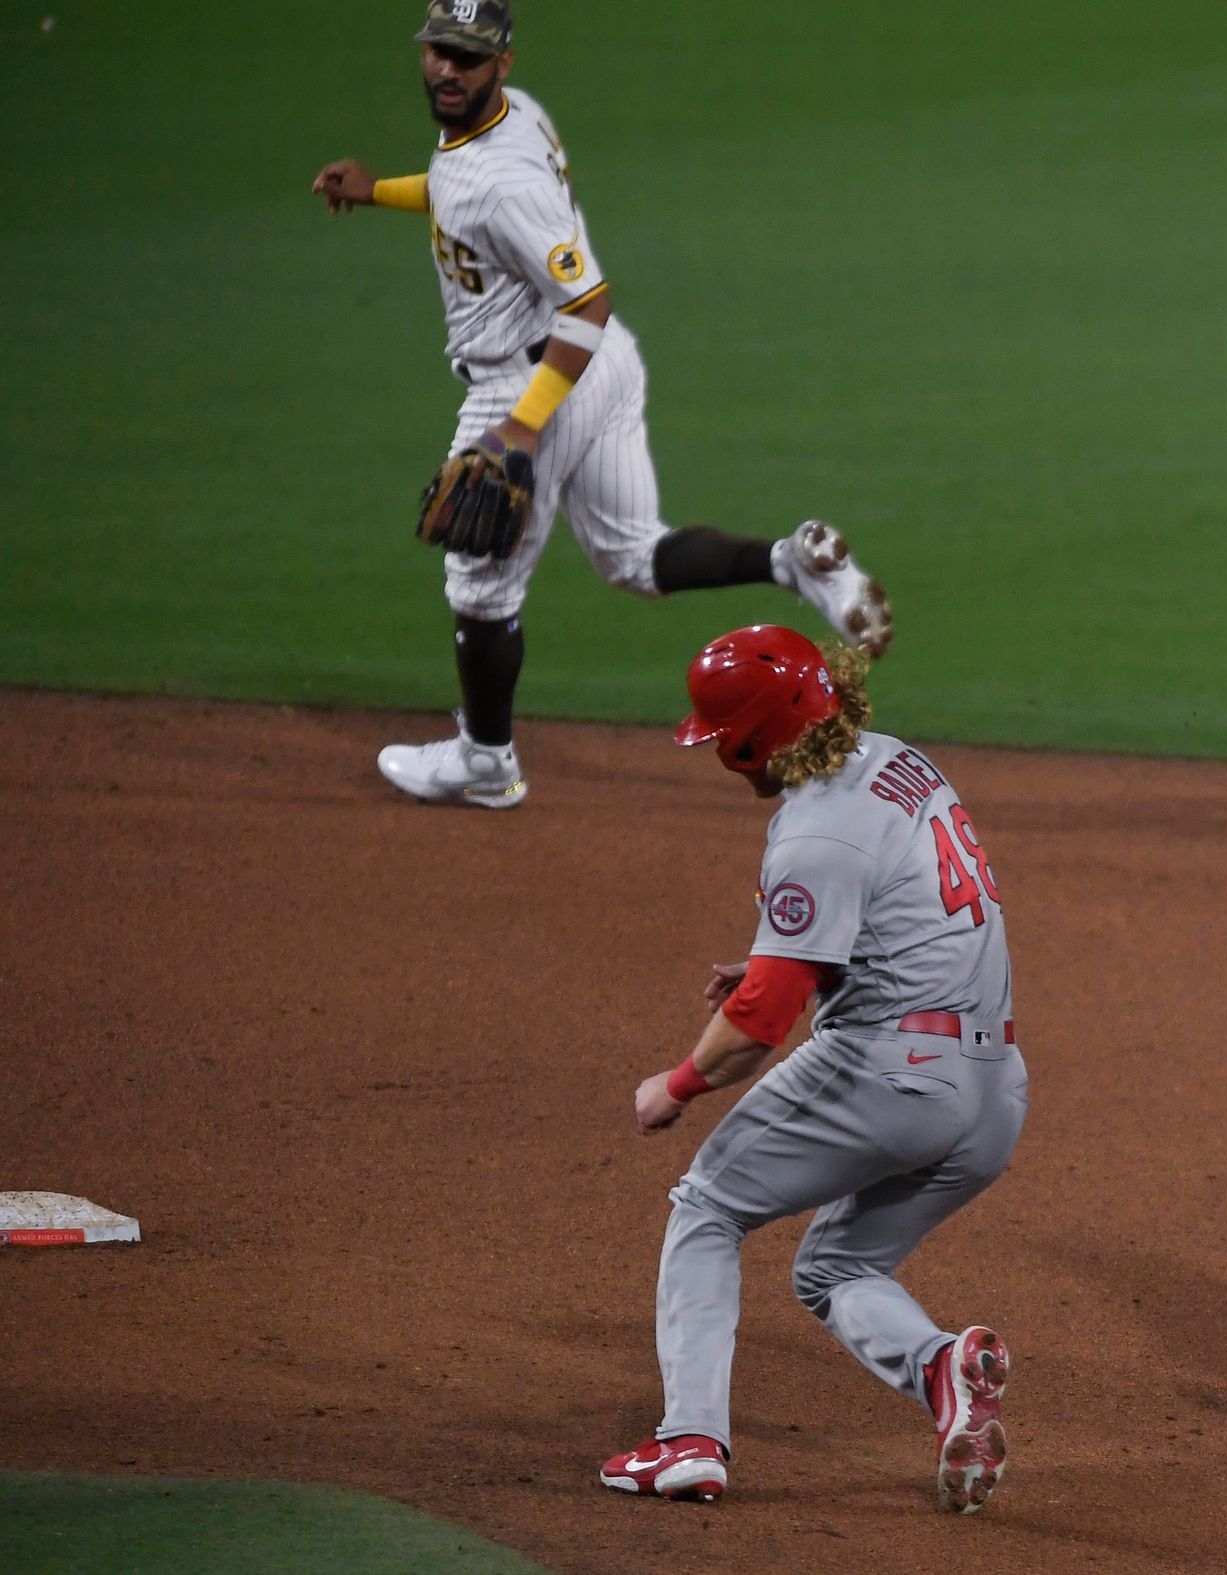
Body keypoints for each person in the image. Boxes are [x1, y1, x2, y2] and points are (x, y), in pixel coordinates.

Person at [311, 1, 891, 809]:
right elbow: (461, 199)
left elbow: (582, 300)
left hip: (540, 374)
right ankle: (789, 563)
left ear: (501, 63)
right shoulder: (517, 122)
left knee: (480, 589)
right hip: (606, 365)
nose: (448, 69)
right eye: (439, 51)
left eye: (467, 58)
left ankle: (485, 759)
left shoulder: (503, 179)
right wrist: (377, 190)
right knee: (632, 557)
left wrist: (520, 425)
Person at [602, 626, 1026, 1512]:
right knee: (832, 1268)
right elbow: (895, 916)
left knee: (708, 1206)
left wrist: (674, 1085)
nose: (719, 748)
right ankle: (945, 1369)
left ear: (753, 737)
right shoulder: (894, 760)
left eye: (722, 734)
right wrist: (787, 957)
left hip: (894, 1071)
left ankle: (688, 1440)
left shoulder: (816, 831)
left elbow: (758, 1023)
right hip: (994, 1090)